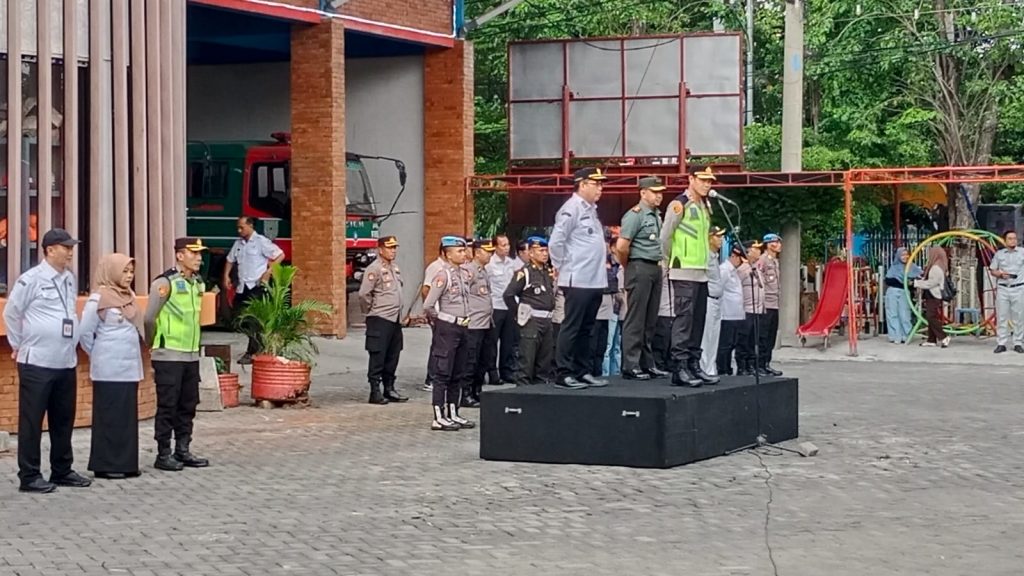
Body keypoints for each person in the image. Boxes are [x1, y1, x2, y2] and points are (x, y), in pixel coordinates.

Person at [4, 228, 90, 493]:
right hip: (37, 362)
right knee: (32, 421)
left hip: (64, 361)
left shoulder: (69, 279)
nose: (70, 253)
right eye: (66, 248)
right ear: (50, 250)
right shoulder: (31, 279)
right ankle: (29, 475)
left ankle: (62, 470)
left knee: (63, 419)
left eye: (71, 247)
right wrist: (19, 345)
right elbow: (11, 313)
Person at [144, 237, 211, 471]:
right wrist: (153, 343)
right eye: (194, 253)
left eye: (200, 254)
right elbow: (149, 318)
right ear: (180, 256)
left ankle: (183, 450)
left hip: (190, 355)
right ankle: (163, 453)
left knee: (188, 405)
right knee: (168, 406)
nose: (199, 258)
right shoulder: (165, 282)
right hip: (169, 355)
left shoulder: (197, 283)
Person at [79, 253, 144, 480]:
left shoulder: (129, 296)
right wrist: (98, 354)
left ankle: (127, 463)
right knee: (108, 416)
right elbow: (85, 333)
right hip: (108, 368)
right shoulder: (98, 299)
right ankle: (105, 464)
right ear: (112, 272)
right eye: (124, 271)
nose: (129, 276)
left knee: (126, 417)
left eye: (131, 272)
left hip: (129, 367)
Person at [549, 167, 610, 390]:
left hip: (595, 279)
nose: (600, 188)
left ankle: (582, 370)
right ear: (582, 184)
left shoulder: (591, 210)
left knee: (587, 328)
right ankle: (563, 372)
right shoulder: (571, 208)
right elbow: (556, 242)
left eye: (601, 184)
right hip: (577, 278)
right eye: (596, 184)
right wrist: (561, 266)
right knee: (572, 327)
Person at [660, 167, 719, 387]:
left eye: (710, 181)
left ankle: (694, 364)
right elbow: (666, 236)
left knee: (698, 320)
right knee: (684, 319)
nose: (707, 184)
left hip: (701, 271)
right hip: (683, 268)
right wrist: (669, 261)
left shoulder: (704, 205)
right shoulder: (679, 204)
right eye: (703, 180)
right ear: (691, 179)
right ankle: (679, 367)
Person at [615, 176, 667, 380]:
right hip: (639, 265)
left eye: (660, 192)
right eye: (655, 192)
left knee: (650, 318)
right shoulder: (635, 215)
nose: (659, 196)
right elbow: (621, 247)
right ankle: (631, 364)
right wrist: (629, 265)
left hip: (654, 266)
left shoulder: (657, 215)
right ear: (643, 192)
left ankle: (647, 362)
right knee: (636, 318)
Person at [422, 236, 476, 431]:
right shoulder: (442, 275)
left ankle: (453, 412)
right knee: (443, 373)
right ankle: (439, 416)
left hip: (463, 326)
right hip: (447, 328)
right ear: (448, 254)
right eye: (459, 251)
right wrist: (441, 320)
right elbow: (428, 305)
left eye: (464, 250)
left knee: (457, 372)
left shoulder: (464, 274)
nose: (464, 254)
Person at [222, 216, 285, 364]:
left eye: (242, 227)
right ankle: (259, 347)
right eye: (238, 227)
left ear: (250, 226)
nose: (239, 230)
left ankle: (252, 352)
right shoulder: (238, 243)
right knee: (239, 318)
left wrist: (268, 272)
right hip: (242, 286)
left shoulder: (261, 242)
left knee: (254, 321)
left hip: (256, 286)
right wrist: (226, 276)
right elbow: (230, 260)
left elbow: (280, 255)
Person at [358, 236, 409, 405]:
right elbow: (364, 294)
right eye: (389, 248)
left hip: (395, 319)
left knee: (393, 354)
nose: (393, 251)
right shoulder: (374, 269)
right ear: (380, 250)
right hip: (380, 318)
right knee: (378, 355)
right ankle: (375, 391)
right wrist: (370, 311)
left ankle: (389, 388)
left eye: (394, 247)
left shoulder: (395, 268)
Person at [503, 236, 556, 386]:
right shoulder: (525, 272)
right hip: (531, 321)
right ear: (531, 253)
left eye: (546, 251)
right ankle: (522, 396)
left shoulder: (547, 271)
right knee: (526, 363)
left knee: (544, 365)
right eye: (541, 251)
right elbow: (508, 295)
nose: (545, 254)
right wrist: (519, 314)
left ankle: (539, 395)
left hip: (547, 321)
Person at [458, 238, 496, 407]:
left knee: (484, 360)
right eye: (488, 252)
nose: (490, 255)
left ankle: (477, 391)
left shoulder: (483, 271)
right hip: (474, 324)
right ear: (478, 253)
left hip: (486, 323)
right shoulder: (469, 271)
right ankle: (466, 394)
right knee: (470, 361)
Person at [482, 234, 518, 385]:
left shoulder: (512, 263)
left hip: (509, 307)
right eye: (503, 245)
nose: (506, 248)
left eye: (508, 244)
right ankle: (492, 373)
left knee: (508, 341)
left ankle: (507, 371)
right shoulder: (489, 265)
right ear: (495, 247)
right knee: (492, 342)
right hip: (495, 306)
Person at [990, 230, 1024, 353]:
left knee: (1019, 317)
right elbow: (992, 270)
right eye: (1010, 238)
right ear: (1005, 241)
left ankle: (1018, 343)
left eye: (1014, 238)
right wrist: (999, 274)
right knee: (1002, 316)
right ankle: (1001, 343)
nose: (1013, 241)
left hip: (1019, 287)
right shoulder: (999, 254)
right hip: (1003, 288)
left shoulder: (1022, 252)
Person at [419, 242, 447, 392]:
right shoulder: (435, 267)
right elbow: (425, 290)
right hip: (438, 314)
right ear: (444, 252)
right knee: (438, 347)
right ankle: (431, 379)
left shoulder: (451, 268)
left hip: (448, 315)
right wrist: (431, 313)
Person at [716, 244, 747, 375]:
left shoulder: (733, 271)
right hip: (727, 313)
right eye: (740, 259)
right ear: (734, 256)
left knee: (732, 343)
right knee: (725, 344)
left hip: (736, 314)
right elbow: (718, 290)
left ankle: (727, 367)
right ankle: (722, 368)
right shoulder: (724, 270)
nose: (741, 263)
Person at [699, 226, 727, 376]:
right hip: (708, 298)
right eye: (717, 236)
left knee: (714, 337)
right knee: (706, 336)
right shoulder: (705, 255)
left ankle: (711, 368)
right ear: (709, 238)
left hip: (717, 300)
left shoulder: (715, 256)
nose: (721, 239)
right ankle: (704, 368)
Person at [735, 240, 765, 376]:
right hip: (746, 310)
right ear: (747, 251)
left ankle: (751, 364)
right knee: (744, 339)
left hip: (758, 310)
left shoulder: (756, 268)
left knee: (754, 339)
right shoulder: (742, 269)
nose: (759, 251)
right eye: (755, 249)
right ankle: (742, 366)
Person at [757, 233, 784, 376]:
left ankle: (767, 363)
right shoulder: (763, 260)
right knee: (763, 335)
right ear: (768, 244)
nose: (778, 245)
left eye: (779, 242)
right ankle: (760, 364)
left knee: (771, 336)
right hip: (766, 303)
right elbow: (760, 282)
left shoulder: (775, 261)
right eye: (775, 242)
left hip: (775, 303)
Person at [883, 247, 922, 344]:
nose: (905, 257)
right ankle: (895, 336)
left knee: (905, 314)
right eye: (902, 255)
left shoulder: (912, 267)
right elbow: (888, 280)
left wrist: (909, 282)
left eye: (906, 254)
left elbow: (919, 276)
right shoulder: (894, 267)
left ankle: (906, 335)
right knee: (892, 314)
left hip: (904, 292)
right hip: (892, 292)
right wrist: (903, 281)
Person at [914, 246, 951, 348]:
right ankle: (931, 339)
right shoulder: (941, 265)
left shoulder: (936, 267)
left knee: (931, 317)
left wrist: (917, 283)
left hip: (934, 295)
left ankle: (943, 336)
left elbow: (931, 283)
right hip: (933, 295)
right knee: (931, 317)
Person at [651, 265, 674, 372]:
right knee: (660, 345)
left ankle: (668, 367)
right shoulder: (661, 269)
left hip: (673, 313)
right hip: (662, 312)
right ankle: (658, 366)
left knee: (670, 346)